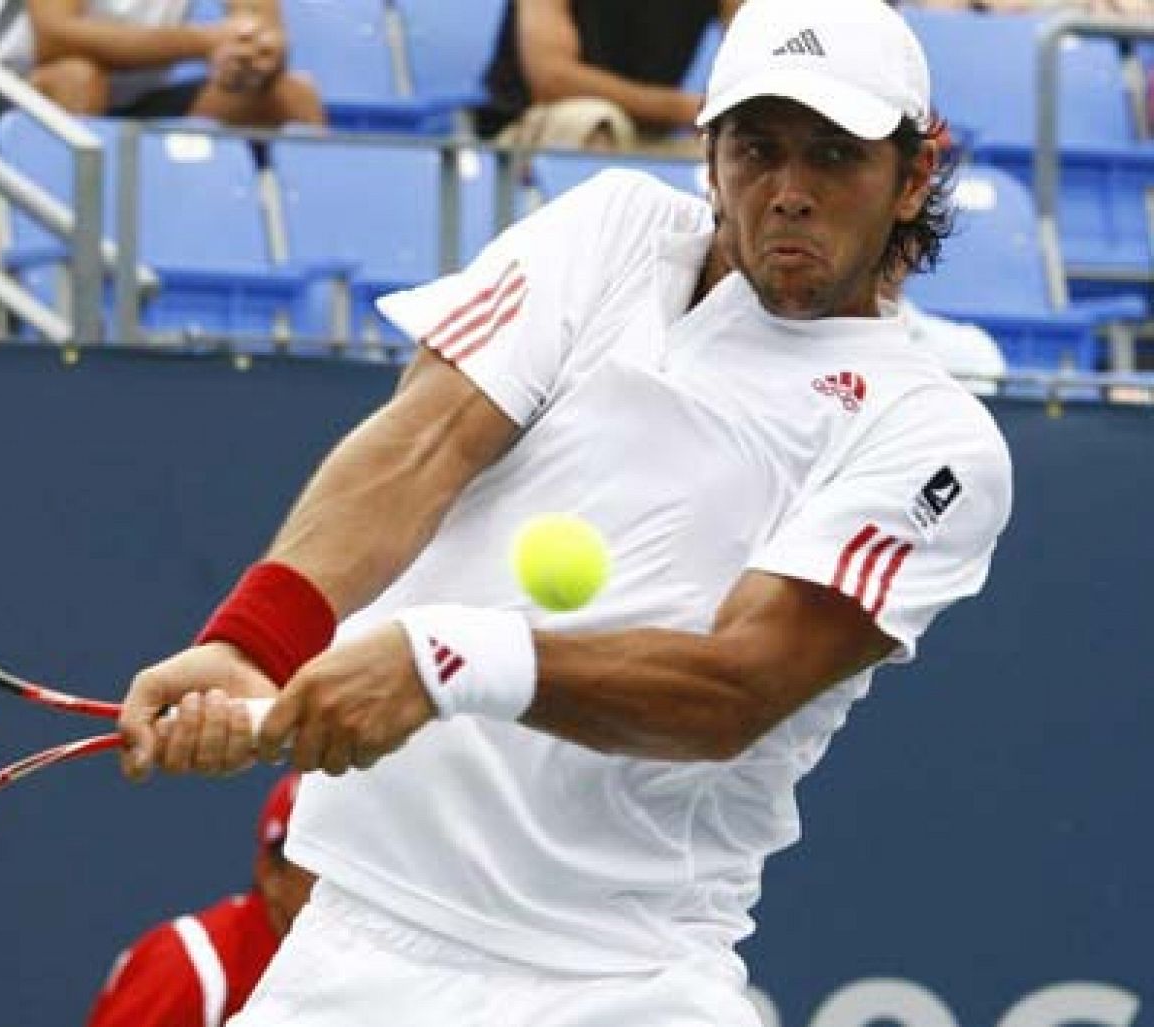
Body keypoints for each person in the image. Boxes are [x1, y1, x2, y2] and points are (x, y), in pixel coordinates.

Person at [120, 0, 1014, 1023]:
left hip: (621, 980)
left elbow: (735, 687)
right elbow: (423, 442)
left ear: (909, 181)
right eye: (756, 148)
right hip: (354, 941)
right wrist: (254, 638)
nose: (790, 192)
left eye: (833, 155)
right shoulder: (610, 228)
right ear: (709, 155)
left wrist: (445, 660)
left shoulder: (929, 434)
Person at [84, 773, 315, 1027]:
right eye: (322, 865)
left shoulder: (351, 965)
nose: (347, 882)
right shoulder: (190, 969)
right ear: (271, 873)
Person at [0, 0, 325, 144]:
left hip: (121, 112)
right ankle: (69, 273)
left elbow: (264, 31)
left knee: (289, 97)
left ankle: (332, 287)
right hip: (1, 100)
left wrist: (255, 55)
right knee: (78, 78)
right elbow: (55, 39)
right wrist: (203, 43)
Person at [474, 0, 745, 151]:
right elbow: (552, 80)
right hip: (532, 128)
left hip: (650, 136)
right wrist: (684, 109)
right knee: (596, 122)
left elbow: (761, 47)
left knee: (737, 159)